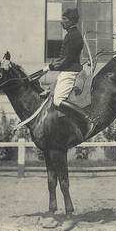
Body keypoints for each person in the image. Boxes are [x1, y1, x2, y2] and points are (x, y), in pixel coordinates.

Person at [41, 8, 95, 139]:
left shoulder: (73, 37)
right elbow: (63, 58)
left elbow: (66, 60)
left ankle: (86, 119)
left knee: (58, 100)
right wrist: (51, 66)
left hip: (70, 71)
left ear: (71, 21)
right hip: (66, 70)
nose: (62, 22)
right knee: (49, 93)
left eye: (64, 19)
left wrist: (51, 66)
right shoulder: (71, 35)